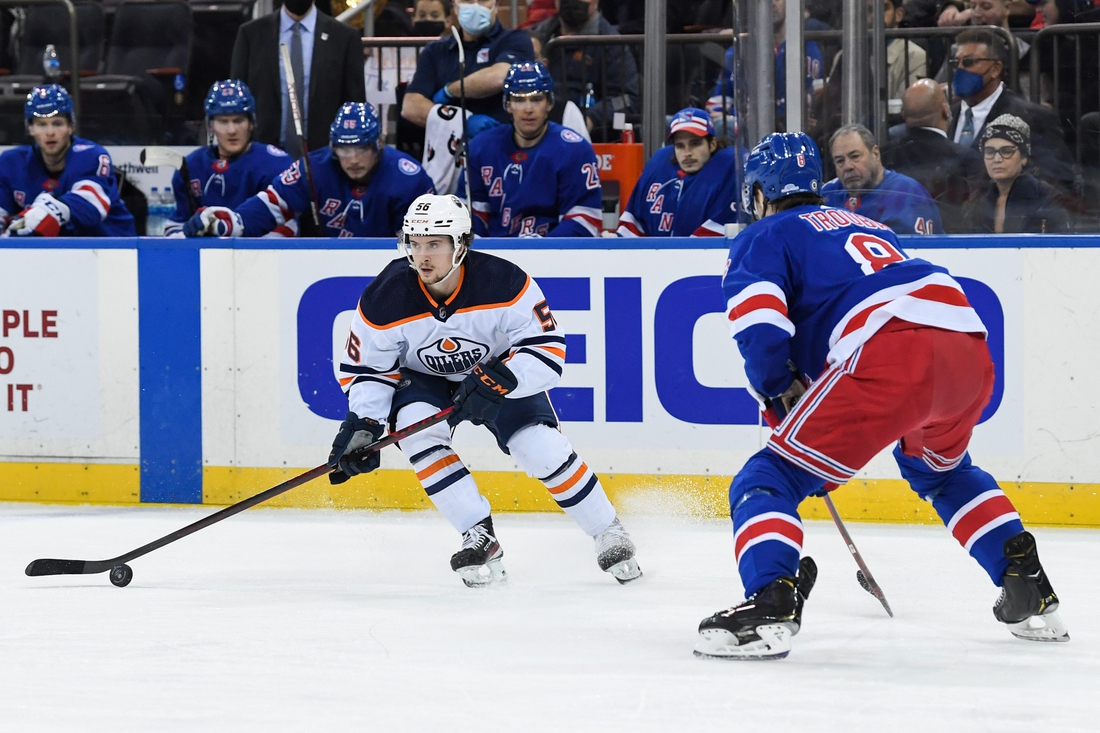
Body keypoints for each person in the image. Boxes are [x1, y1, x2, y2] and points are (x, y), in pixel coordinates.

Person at [694, 131, 1068, 661]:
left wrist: (776, 386)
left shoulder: (763, 234)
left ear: (760, 193)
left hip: (890, 352)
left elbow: (760, 324)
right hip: (967, 348)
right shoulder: (866, 223)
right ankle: (1026, 584)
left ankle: (770, 600)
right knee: (940, 470)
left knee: (768, 477)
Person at [327, 192, 642, 587]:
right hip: (425, 381)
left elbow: (548, 349)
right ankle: (478, 534)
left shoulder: (505, 281)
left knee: (537, 446)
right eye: (416, 243)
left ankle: (607, 529)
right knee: (417, 429)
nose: (423, 256)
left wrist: (504, 379)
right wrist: (365, 425)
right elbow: (369, 370)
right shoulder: (384, 297)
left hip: (498, 374)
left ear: (461, 245)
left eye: (435, 245)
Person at [183, 103, 434, 238]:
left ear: (379, 143)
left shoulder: (408, 178)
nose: (353, 159)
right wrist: (223, 221)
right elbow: (268, 207)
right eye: (345, 150)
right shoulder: (314, 168)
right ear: (333, 147)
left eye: (363, 149)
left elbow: (422, 249)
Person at [466, 61, 603, 237]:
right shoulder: (481, 147)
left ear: (549, 103)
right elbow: (468, 216)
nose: (528, 109)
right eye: (519, 99)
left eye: (536, 99)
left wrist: (541, 250)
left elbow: (585, 220)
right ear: (507, 105)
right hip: (495, 256)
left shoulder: (575, 150)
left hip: (555, 258)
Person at [946, 28, 1076, 193]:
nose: (960, 69)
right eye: (955, 63)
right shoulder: (945, 115)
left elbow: (1058, 180)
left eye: (969, 62)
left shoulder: (1032, 118)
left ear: (995, 69)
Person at [231, 0, 366, 158]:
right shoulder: (251, 34)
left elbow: (355, 103)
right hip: (263, 155)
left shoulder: (344, 37)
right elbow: (237, 97)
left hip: (325, 158)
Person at [0, 85, 135, 237]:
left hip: (113, 251)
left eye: (57, 124)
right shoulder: (11, 162)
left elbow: (90, 208)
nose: (50, 133)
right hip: (50, 255)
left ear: (71, 126)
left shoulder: (92, 155)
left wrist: (47, 210)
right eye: (42, 124)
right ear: (30, 129)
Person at [164, 80, 294, 237]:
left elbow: (289, 229)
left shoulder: (276, 165)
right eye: (223, 122)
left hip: (261, 259)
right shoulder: (190, 167)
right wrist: (187, 235)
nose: (232, 130)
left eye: (238, 121)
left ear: (251, 123)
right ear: (210, 126)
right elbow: (174, 228)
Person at [401, 0, 535, 130]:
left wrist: (450, 91)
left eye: (483, 0)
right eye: (467, 0)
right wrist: (460, 123)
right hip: (451, 148)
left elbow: (500, 77)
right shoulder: (435, 50)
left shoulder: (516, 40)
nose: (475, 6)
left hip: (503, 144)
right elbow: (411, 106)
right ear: (455, 5)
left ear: (496, 4)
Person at [616, 108, 743, 237]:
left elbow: (707, 246)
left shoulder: (728, 169)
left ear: (712, 145)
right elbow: (632, 227)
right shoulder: (659, 167)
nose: (687, 153)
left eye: (695, 144)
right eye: (680, 146)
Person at [881, 79, 985, 233]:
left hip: (892, 243)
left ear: (904, 115)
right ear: (946, 110)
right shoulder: (967, 159)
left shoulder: (883, 155)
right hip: (952, 246)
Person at [530, 0, 640, 140]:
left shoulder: (612, 43)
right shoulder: (537, 37)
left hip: (593, 135)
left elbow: (626, 99)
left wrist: (592, 117)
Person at [822, 123, 942, 234]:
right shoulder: (828, 194)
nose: (848, 166)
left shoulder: (905, 193)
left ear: (875, 154)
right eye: (840, 161)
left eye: (855, 156)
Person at [965, 114, 1072, 232]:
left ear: (1024, 157)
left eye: (1006, 151)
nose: (997, 159)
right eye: (989, 152)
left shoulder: (1048, 198)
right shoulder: (977, 200)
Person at [883, 0, 927, 101]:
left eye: (884, 8)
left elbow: (905, 105)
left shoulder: (914, 56)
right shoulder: (845, 56)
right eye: (868, 10)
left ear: (899, 15)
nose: (874, 15)